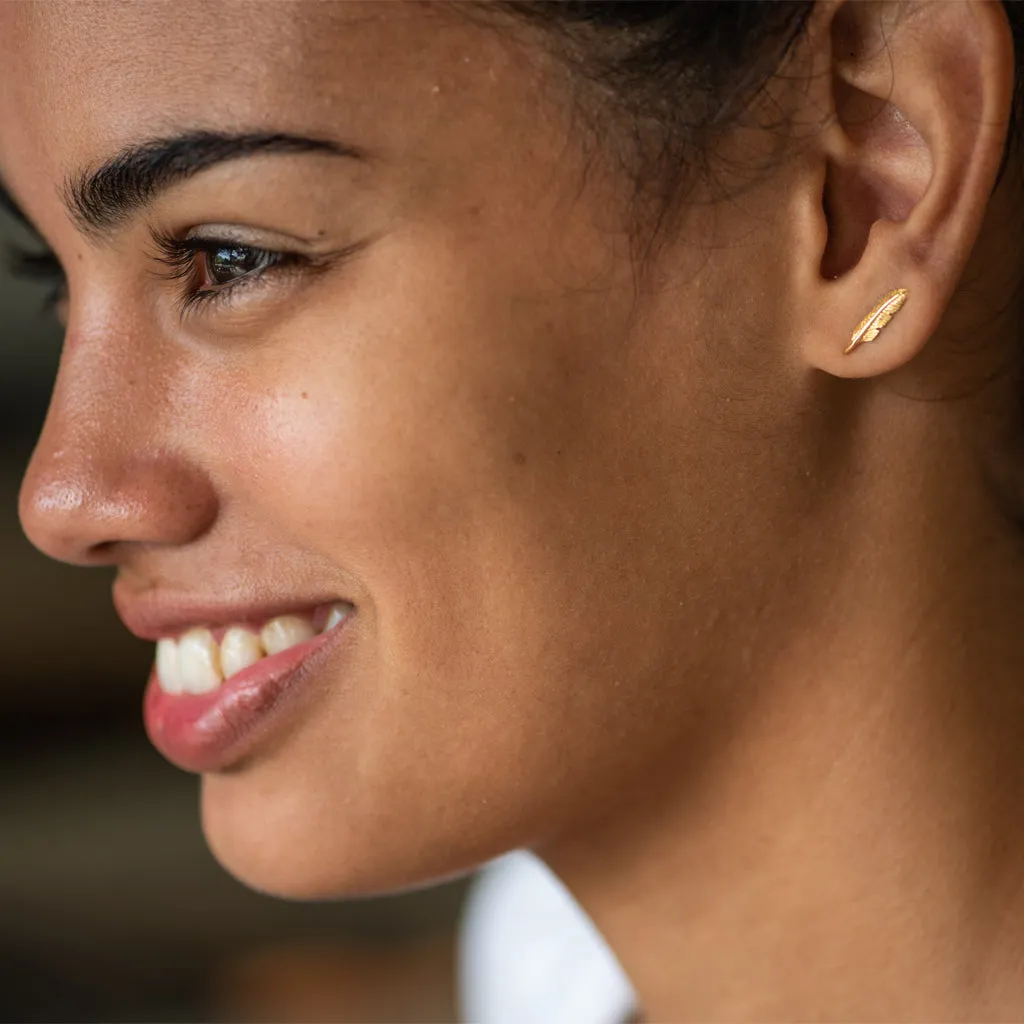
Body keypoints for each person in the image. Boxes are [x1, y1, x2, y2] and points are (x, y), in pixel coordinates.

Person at [3, 0, 1024, 1018]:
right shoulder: (538, 962)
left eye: (230, 260)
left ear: (866, 190)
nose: (60, 496)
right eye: (59, 281)